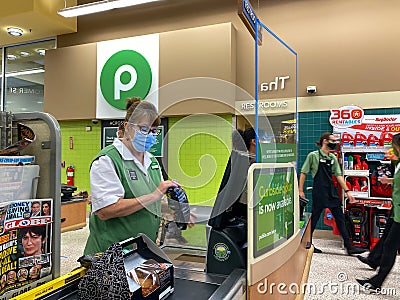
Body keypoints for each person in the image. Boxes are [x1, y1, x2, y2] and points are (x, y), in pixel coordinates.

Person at [84, 98, 180, 254]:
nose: (150, 135)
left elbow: (153, 202)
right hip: (111, 256)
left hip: (141, 251)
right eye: (144, 129)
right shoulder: (107, 160)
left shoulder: (152, 161)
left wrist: (176, 211)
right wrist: (154, 195)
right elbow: (106, 210)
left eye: (153, 131)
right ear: (128, 127)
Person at [299, 132, 366, 255]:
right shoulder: (313, 156)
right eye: (332, 141)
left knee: (340, 218)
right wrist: (300, 190)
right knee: (314, 218)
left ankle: (349, 246)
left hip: (331, 190)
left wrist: (347, 191)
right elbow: (303, 172)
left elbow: (339, 175)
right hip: (319, 191)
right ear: (325, 141)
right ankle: (307, 243)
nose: (334, 143)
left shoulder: (332, 158)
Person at [356, 133, 400, 291]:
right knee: (386, 239)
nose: (392, 149)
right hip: (396, 209)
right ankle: (374, 260)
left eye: (394, 146)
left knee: (390, 246)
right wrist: (389, 181)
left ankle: (376, 282)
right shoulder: (399, 162)